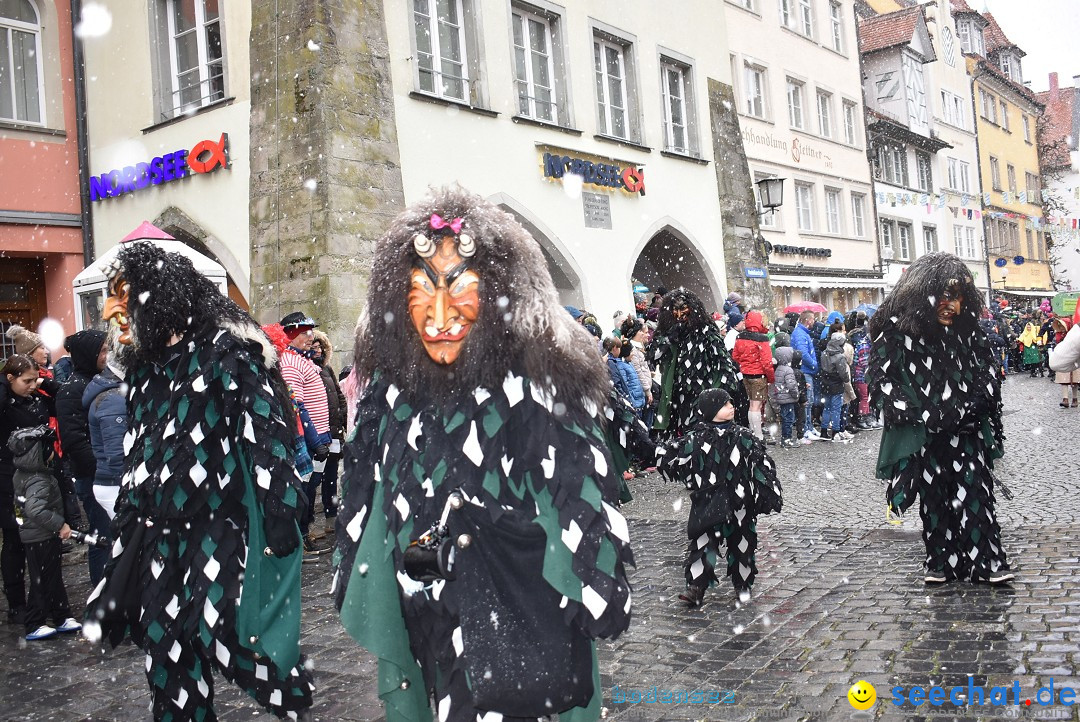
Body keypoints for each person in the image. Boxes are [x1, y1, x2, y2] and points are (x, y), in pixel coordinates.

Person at [334, 187, 633, 719]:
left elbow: (579, 488)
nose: (440, 313)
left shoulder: (535, 384)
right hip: (428, 609)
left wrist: (589, 575)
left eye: (458, 285)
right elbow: (367, 490)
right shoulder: (392, 390)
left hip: (519, 608)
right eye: (422, 288)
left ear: (497, 291)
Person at [85, 241, 314, 721]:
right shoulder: (145, 369)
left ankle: (290, 700)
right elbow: (139, 450)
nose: (111, 308)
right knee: (163, 645)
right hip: (156, 534)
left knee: (227, 635)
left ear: (158, 295)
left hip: (218, 526)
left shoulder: (227, 350)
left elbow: (264, 433)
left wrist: (281, 507)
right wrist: (126, 519)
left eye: (124, 294)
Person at [868, 252, 1013, 585]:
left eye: (957, 295)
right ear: (923, 296)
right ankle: (941, 561)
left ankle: (986, 561)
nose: (950, 304)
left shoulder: (969, 332)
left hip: (967, 431)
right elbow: (883, 380)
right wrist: (912, 414)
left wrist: (977, 404)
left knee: (976, 495)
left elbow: (988, 370)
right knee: (935, 499)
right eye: (943, 295)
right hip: (928, 436)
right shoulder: (896, 334)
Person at [657, 388, 782, 606]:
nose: (731, 406)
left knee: (742, 543)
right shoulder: (696, 438)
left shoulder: (744, 436)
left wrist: (768, 491)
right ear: (711, 410)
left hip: (739, 501)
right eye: (725, 404)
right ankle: (696, 587)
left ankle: (742, 586)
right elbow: (675, 458)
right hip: (709, 501)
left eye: (731, 403)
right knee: (703, 543)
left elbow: (761, 464)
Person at [8, 425, 82, 641]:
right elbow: (35, 509)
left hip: (38, 535)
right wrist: (60, 525)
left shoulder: (24, 474)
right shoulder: (38, 479)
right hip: (41, 535)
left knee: (52, 576)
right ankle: (34, 622)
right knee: (43, 579)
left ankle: (61, 615)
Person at [649, 288, 746, 440]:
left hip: (701, 395)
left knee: (702, 437)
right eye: (676, 310)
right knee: (679, 438)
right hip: (675, 396)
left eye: (683, 309)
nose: (680, 315)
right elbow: (653, 355)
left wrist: (714, 399)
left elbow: (723, 365)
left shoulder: (706, 331)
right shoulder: (668, 332)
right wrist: (668, 339)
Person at [55, 329, 109, 585]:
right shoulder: (72, 390)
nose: (106, 356)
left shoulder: (101, 381)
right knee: (101, 538)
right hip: (93, 476)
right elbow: (75, 440)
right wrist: (102, 469)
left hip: (107, 472)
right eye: (102, 351)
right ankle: (102, 594)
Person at [1, 354, 48, 626]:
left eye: (35, 379)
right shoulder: (5, 403)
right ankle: (16, 602)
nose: (33, 385)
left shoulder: (35, 398)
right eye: (26, 380)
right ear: (10, 378)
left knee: (40, 540)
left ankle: (41, 599)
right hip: (9, 479)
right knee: (15, 540)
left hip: (38, 477)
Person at [278, 311, 331, 553]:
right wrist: (314, 439)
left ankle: (305, 532)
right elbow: (296, 405)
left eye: (311, 332)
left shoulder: (304, 359)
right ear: (291, 334)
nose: (310, 337)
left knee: (313, 486)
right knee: (305, 491)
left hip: (321, 435)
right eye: (305, 332)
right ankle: (301, 539)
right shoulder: (289, 362)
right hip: (310, 439)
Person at [308, 330, 347, 541]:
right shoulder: (308, 370)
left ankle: (332, 517)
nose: (317, 350)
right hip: (317, 433)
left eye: (320, 347)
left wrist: (342, 420)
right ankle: (311, 523)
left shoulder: (328, 369)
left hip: (332, 433)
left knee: (331, 476)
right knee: (314, 478)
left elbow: (339, 397)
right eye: (313, 347)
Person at [83, 348, 127, 523]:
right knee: (132, 543)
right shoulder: (113, 399)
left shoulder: (112, 393)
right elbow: (117, 453)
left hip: (111, 481)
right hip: (114, 484)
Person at [732, 310, 774, 440]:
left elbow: (735, 356)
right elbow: (767, 362)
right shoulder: (762, 339)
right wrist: (771, 377)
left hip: (746, 375)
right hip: (759, 376)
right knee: (757, 406)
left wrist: (746, 364)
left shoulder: (740, 336)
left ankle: (753, 432)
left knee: (751, 405)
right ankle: (758, 435)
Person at [790, 311, 821, 441]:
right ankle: (806, 429)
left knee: (810, 400)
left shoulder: (802, 333)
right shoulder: (800, 334)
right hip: (805, 370)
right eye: (813, 319)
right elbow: (803, 353)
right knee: (807, 401)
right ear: (807, 320)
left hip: (807, 370)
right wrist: (814, 364)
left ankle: (809, 426)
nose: (814, 321)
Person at [819, 332, 853, 442]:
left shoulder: (824, 353)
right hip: (836, 384)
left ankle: (823, 431)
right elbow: (843, 374)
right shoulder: (840, 357)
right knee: (836, 409)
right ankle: (835, 432)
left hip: (825, 383)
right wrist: (846, 379)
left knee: (827, 408)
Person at [770, 347, 800, 448]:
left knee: (785, 419)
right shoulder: (788, 370)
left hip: (781, 398)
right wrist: (796, 394)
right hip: (788, 398)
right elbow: (791, 385)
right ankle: (787, 439)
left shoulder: (778, 369)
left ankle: (785, 438)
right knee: (789, 420)